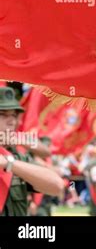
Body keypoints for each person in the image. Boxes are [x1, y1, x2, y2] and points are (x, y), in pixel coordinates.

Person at [0, 87, 64, 216]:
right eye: (3, 114)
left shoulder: (16, 156)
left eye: (13, 115)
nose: (12, 121)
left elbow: (56, 185)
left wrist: (9, 163)